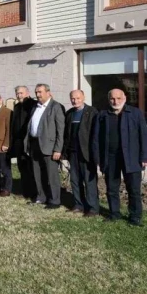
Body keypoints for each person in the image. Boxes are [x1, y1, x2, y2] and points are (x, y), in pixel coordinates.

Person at [92, 89, 147, 226]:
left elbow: (143, 136)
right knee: (111, 188)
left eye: (118, 98)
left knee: (134, 189)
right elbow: (96, 139)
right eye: (112, 99)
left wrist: (144, 157)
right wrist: (97, 158)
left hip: (132, 157)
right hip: (110, 158)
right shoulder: (103, 115)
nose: (115, 101)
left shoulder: (135, 113)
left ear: (124, 98)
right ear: (108, 99)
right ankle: (114, 213)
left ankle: (135, 216)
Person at [24, 84, 65, 209]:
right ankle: (41, 197)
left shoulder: (56, 107)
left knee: (52, 175)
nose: (37, 95)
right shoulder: (35, 107)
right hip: (35, 144)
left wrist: (58, 149)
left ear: (48, 92)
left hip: (49, 147)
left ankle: (55, 200)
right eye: (36, 92)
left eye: (40, 92)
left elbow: (60, 130)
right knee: (37, 173)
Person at [63, 90, 99, 216]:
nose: (75, 101)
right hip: (73, 153)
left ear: (83, 97)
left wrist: (95, 154)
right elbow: (66, 134)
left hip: (87, 153)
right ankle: (79, 205)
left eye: (78, 98)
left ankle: (93, 208)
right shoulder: (69, 113)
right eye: (73, 98)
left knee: (89, 182)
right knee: (75, 180)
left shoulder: (92, 112)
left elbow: (96, 134)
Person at [11, 86, 37, 200]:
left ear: (27, 93)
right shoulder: (17, 106)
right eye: (17, 93)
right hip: (18, 142)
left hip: (29, 142)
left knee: (31, 168)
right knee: (22, 167)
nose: (19, 95)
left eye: (21, 93)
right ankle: (25, 192)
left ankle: (35, 193)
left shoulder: (33, 105)